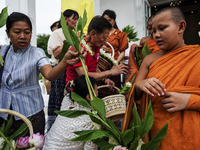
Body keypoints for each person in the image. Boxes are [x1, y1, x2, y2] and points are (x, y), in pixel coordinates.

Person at [122, 7, 200, 150]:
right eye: (153, 31)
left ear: (181, 27)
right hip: (155, 131)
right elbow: (134, 91)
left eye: (162, 28)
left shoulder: (197, 56)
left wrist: (189, 101)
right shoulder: (149, 59)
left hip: (190, 132)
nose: (156, 35)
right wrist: (141, 85)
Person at [0, 12, 86, 135]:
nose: (23, 36)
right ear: (8, 33)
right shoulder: (3, 52)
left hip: (30, 115)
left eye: (27, 32)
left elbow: (50, 74)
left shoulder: (37, 53)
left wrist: (65, 61)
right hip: (4, 115)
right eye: (17, 32)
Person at [66, 16, 128, 88]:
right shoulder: (79, 48)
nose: (105, 42)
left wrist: (105, 79)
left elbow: (95, 68)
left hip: (90, 88)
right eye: (104, 38)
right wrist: (111, 72)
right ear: (93, 34)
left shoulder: (96, 46)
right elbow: (84, 75)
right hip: (76, 90)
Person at [43, 75, 98, 149]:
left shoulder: (67, 100)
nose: (98, 92)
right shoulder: (93, 120)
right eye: (96, 90)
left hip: (47, 147)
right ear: (88, 97)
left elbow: (67, 91)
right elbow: (90, 148)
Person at [47, 9, 79, 132]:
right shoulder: (58, 33)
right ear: (65, 19)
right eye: (74, 18)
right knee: (60, 100)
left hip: (73, 71)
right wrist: (71, 41)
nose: (76, 21)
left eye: (77, 19)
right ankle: (56, 130)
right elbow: (56, 54)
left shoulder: (73, 33)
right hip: (60, 71)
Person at [101, 9, 129, 90]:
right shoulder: (100, 33)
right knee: (102, 85)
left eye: (110, 20)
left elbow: (122, 51)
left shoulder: (120, 34)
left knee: (113, 87)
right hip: (101, 64)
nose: (107, 23)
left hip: (114, 64)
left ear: (114, 21)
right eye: (105, 21)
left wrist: (116, 62)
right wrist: (100, 47)